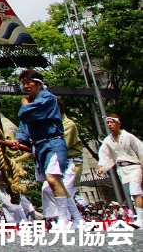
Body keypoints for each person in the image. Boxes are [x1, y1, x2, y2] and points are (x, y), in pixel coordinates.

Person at [8, 69, 84, 228]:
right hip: (40, 147)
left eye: (28, 83)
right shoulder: (32, 101)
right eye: (23, 84)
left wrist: (24, 105)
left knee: (52, 180)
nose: (26, 86)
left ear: (38, 83)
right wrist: (18, 140)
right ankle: (78, 219)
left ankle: (63, 219)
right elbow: (24, 126)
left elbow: (26, 113)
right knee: (57, 184)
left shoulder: (48, 98)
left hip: (53, 144)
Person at [97, 113, 143, 226]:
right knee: (133, 195)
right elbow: (104, 154)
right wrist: (101, 167)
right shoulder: (108, 141)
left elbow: (140, 149)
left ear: (118, 123)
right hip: (121, 170)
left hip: (134, 167)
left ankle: (141, 220)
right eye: (108, 123)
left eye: (112, 122)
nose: (109, 125)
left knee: (135, 191)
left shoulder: (129, 136)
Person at [42, 98, 82, 225]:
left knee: (63, 190)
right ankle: (76, 219)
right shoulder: (50, 124)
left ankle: (66, 219)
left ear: (57, 107)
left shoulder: (68, 124)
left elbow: (60, 145)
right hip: (57, 161)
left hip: (71, 162)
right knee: (48, 189)